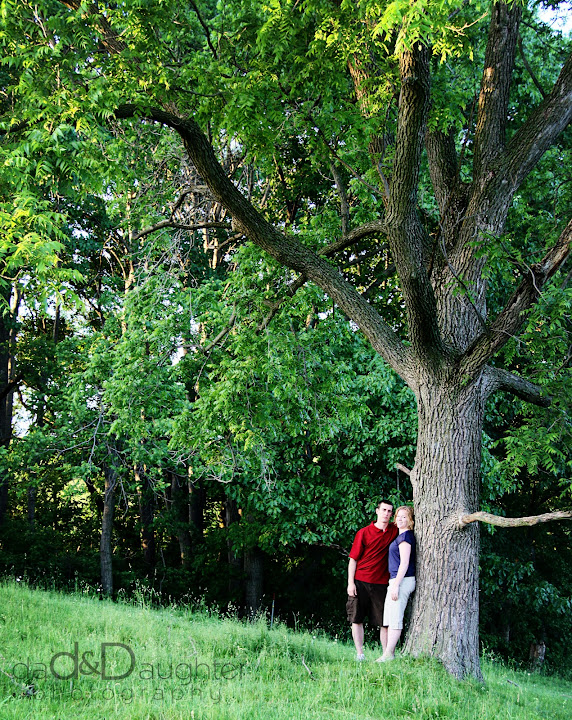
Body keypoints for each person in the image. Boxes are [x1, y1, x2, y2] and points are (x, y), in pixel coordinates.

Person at [346, 500, 398, 661]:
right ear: (377, 511)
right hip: (360, 580)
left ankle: (386, 654)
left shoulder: (394, 531)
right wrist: (350, 583)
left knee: (384, 622)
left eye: (390, 511)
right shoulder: (364, 532)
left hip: (382, 583)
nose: (386, 514)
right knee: (357, 618)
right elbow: (353, 559)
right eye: (384, 510)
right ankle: (360, 654)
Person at [377, 505, 416, 662]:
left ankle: (388, 654)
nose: (400, 519)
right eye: (398, 516)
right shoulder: (400, 536)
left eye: (404, 517)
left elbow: (405, 563)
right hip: (395, 581)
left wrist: (396, 585)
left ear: (410, 520)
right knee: (388, 619)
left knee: (395, 619)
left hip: (402, 580)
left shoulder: (406, 537)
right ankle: (387, 654)